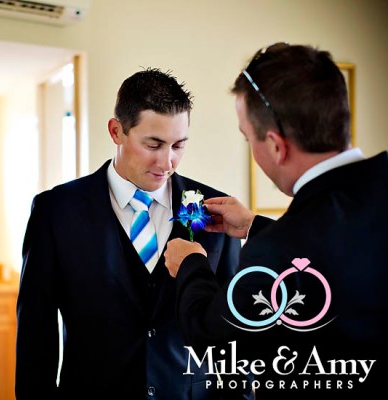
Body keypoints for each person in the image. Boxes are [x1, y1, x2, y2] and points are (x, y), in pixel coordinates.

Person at [164, 43, 388, 399]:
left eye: (247, 138)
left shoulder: (278, 250)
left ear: (275, 146)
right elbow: (339, 253)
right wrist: (256, 227)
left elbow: (219, 345)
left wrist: (191, 264)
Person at [16, 68, 251, 399]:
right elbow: (35, 333)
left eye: (178, 145)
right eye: (153, 144)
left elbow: (233, 330)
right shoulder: (55, 211)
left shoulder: (214, 210)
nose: (167, 162)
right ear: (116, 131)